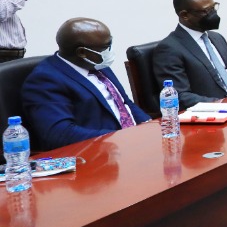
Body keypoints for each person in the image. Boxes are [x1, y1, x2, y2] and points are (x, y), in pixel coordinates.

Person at [22, 18, 150, 150]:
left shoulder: (97, 64)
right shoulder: (45, 80)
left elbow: (124, 103)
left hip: (130, 144)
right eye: (106, 47)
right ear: (82, 52)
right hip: (98, 151)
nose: (109, 51)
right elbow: (60, 134)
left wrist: (148, 126)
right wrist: (119, 138)